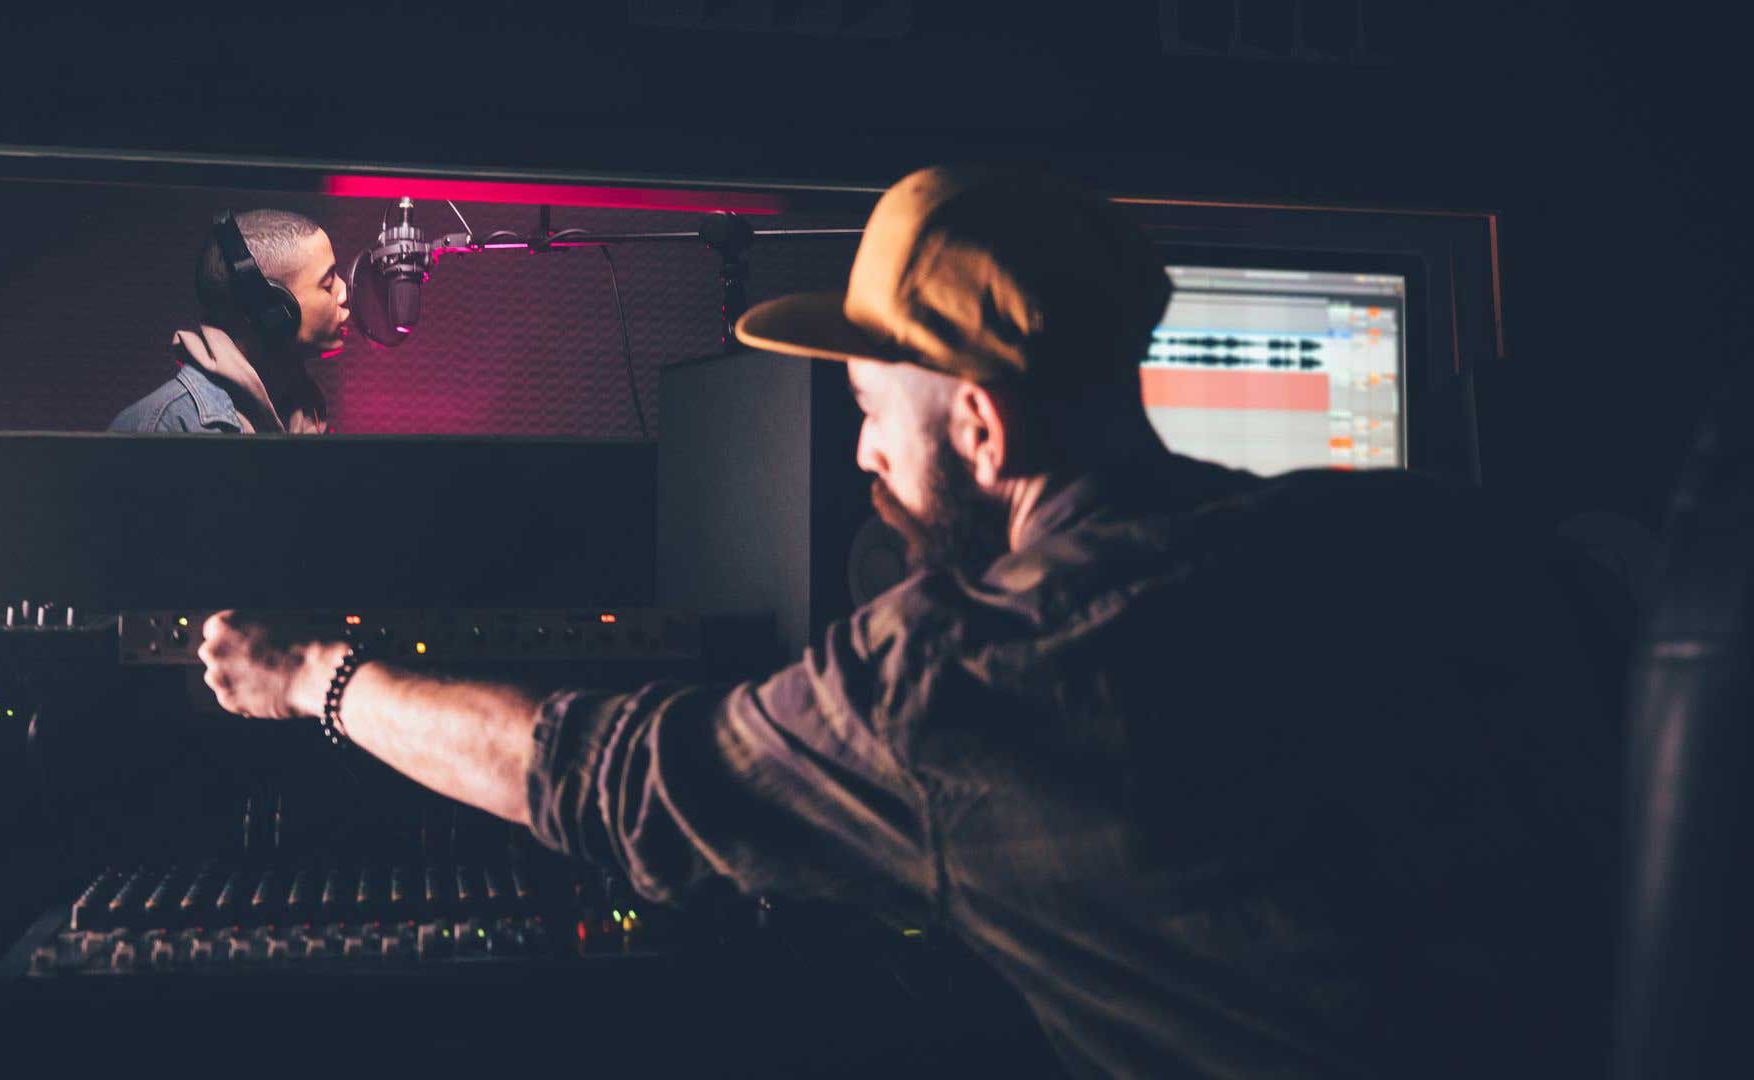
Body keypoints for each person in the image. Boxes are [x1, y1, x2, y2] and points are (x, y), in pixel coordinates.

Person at [195, 167, 1622, 1077]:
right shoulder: (1427, 538)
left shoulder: (962, 678)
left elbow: (605, 779)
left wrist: (315, 675)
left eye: (875, 411)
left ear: (984, 428)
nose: (864, 452)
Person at [109, 209, 348, 433]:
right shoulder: (165, 426)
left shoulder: (305, 410)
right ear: (270, 308)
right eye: (328, 284)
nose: (344, 291)